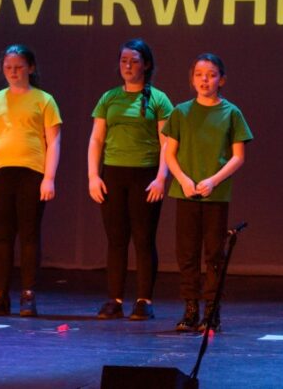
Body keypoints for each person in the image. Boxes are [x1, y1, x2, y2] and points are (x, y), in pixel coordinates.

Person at [165, 52, 253, 333]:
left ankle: (211, 311)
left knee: (214, 254)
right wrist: (183, 179)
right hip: (185, 192)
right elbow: (169, 153)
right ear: (192, 79)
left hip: (215, 195)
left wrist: (214, 180)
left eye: (211, 74)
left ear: (221, 79)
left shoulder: (231, 113)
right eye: (200, 74)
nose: (205, 80)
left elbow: (238, 156)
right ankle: (190, 308)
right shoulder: (180, 111)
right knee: (187, 253)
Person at [88, 39, 173, 321]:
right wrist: (93, 176)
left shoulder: (159, 100)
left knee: (144, 239)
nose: (128, 66)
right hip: (113, 174)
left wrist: (162, 177)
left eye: (134, 61)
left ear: (146, 64)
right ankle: (114, 299)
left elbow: (167, 143)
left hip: (146, 175)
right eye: (124, 61)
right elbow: (96, 139)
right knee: (116, 240)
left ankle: (143, 300)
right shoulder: (109, 98)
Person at [0, 44, 62, 318]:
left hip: (32, 174)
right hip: (0, 172)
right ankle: (0, 296)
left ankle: (28, 294)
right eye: (8, 68)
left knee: (29, 236)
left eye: (18, 67)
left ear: (31, 68)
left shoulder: (44, 100)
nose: (13, 72)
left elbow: (54, 141)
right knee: (2, 237)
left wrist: (48, 178)